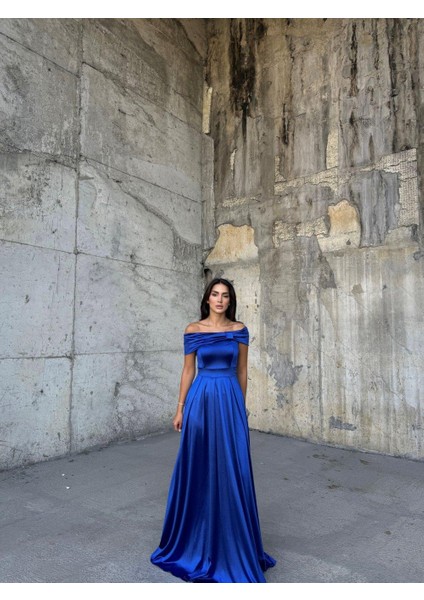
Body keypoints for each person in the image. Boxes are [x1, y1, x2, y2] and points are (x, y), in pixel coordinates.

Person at [150, 277, 276, 582]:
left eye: (225, 295)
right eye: (215, 294)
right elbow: (188, 370)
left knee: (233, 468)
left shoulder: (239, 330)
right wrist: (180, 408)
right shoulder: (193, 329)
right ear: (207, 298)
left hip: (229, 399)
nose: (220, 300)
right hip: (201, 399)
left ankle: (233, 543)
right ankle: (194, 541)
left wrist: (240, 407)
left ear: (230, 300)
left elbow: (242, 370)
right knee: (199, 466)